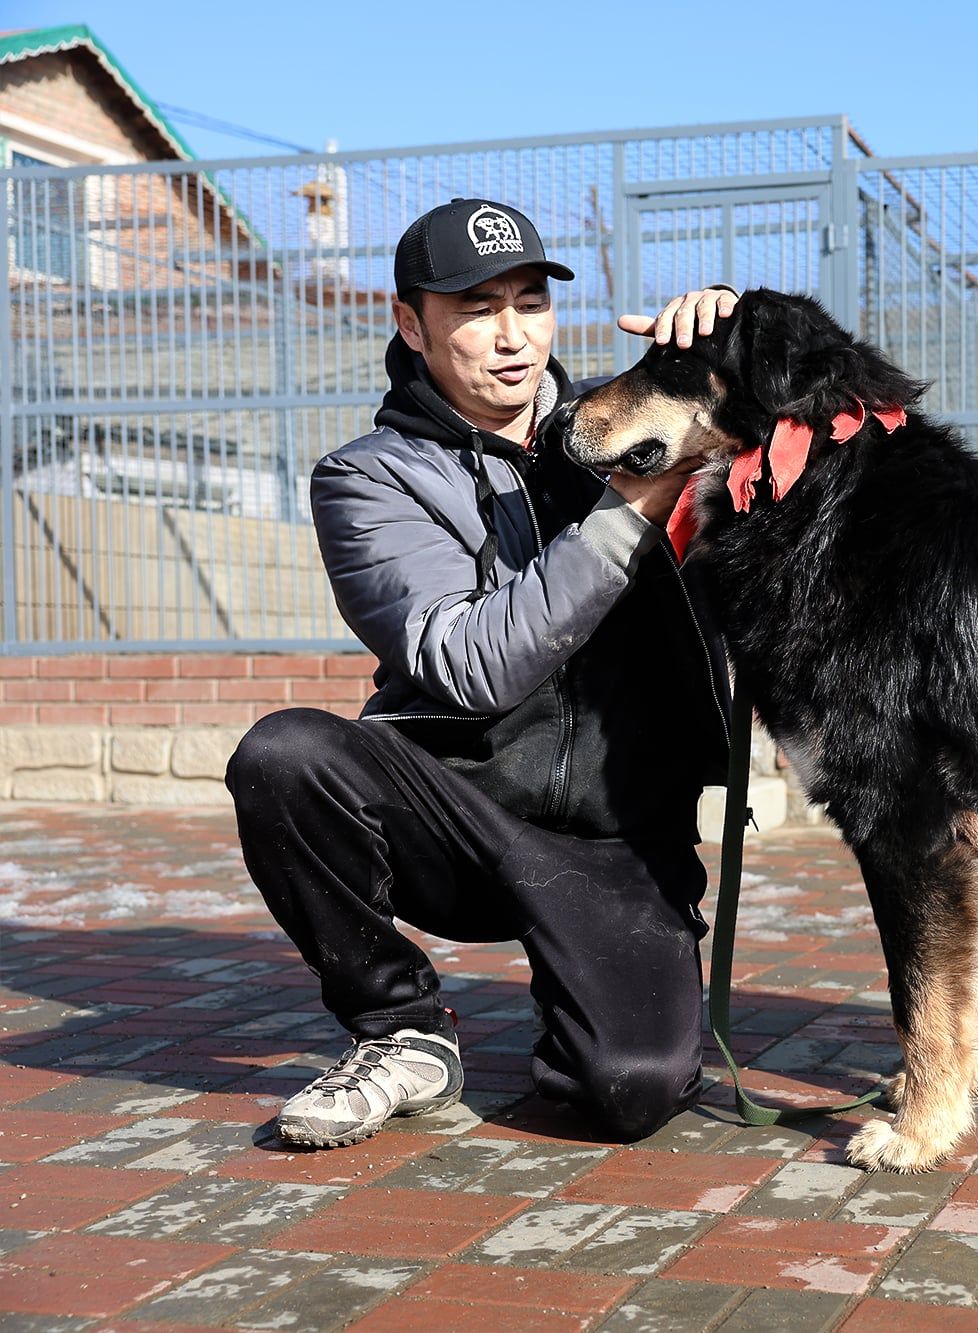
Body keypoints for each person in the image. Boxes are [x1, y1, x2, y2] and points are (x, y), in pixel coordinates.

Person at [224, 196, 737, 1147]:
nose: (512, 337)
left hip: (618, 839)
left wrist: (727, 355)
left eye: (531, 303)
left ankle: (588, 990)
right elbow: (473, 664)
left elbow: (814, 460)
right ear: (412, 324)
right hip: (458, 818)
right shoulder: (367, 477)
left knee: (627, 1090)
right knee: (285, 754)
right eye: (476, 309)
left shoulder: (632, 436)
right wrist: (626, 511)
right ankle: (402, 1028)